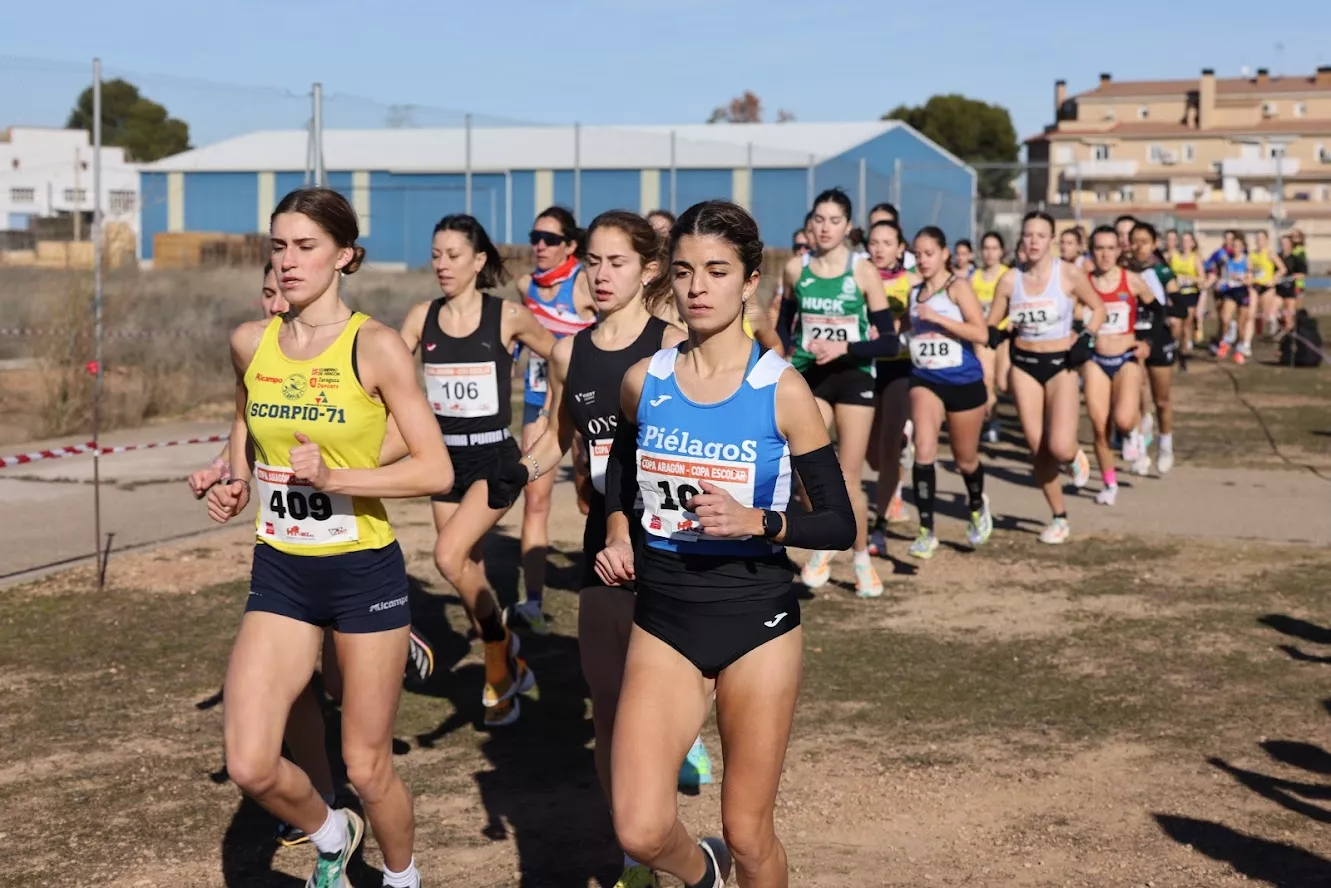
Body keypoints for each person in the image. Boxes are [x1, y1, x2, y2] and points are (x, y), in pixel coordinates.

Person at [597, 199, 855, 888]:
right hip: (664, 618)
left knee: (747, 829)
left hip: (755, 620)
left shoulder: (782, 389)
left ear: (748, 282)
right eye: (682, 272)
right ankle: (702, 874)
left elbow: (838, 524)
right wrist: (619, 528)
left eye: (716, 271)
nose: (697, 287)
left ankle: (732, 861)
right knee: (641, 828)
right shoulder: (643, 381)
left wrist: (760, 523)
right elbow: (623, 465)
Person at [208, 187, 453, 888]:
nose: (287, 261)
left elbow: (434, 468)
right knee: (252, 762)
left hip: (360, 576)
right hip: (281, 571)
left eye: (305, 246)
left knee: (367, 766)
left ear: (344, 255)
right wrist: (232, 477)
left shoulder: (374, 347)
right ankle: (330, 831)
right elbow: (249, 427)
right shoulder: (250, 341)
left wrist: (340, 475)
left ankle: (402, 879)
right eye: (278, 246)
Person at [481, 210, 714, 887]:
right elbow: (559, 436)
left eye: (616, 262)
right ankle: (632, 857)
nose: (601, 275)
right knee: (607, 703)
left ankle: (664, 808)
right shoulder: (568, 352)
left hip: (674, 541)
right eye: (593, 262)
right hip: (601, 540)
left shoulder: (676, 345)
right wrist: (518, 471)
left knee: (668, 702)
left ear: (648, 270)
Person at [399, 214, 555, 727]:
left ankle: (496, 657)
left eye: (454, 255)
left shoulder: (508, 316)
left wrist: (549, 422)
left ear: (479, 260)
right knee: (468, 572)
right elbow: (387, 381)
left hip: (493, 459)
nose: (442, 264)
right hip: (443, 463)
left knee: (448, 557)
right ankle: (509, 661)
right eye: (437, 254)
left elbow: (564, 359)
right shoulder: (422, 317)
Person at [785, 188, 891, 596]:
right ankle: (825, 544)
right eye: (819, 219)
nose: (825, 228)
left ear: (848, 227)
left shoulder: (862, 271)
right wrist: (793, 350)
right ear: (810, 223)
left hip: (854, 377)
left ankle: (861, 559)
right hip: (813, 377)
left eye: (834, 221)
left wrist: (845, 346)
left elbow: (889, 341)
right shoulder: (797, 270)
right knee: (807, 473)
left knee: (848, 479)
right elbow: (784, 328)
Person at [986, 211, 1106, 544]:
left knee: (1059, 446)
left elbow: (1099, 308)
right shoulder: (1010, 280)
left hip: (1061, 365)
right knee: (1038, 449)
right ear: (1021, 240)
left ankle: (1074, 454)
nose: (1033, 241)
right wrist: (991, 337)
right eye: (1028, 235)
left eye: (1040, 235)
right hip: (1024, 365)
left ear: (1051, 239)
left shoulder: (1068, 275)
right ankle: (1059, 516)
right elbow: (993, 323)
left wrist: (1086, 338)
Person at [510, 207, 597, 634]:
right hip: (538, 404)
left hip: (584, 407)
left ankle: (608, 587)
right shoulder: (526, 286)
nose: (539, 246)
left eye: (549, 239)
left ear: (570, 245)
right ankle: (532, 601)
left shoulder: (585, 282)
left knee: (590, 501)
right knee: (536, 499)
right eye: (535, 237)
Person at [901, 226, 993, 559]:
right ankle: (926, 531)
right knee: (923, 448)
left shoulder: (958, 287)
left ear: (944, 254)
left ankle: (976, 506)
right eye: (918, 254)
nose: (923, 260)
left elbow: (980, 333)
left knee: (965, 459)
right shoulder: (914, 293)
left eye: (929, 253)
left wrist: (939, 319)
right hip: (926, 379)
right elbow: (907, 333)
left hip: (965, 381)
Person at [1082, 227, 1161, 505]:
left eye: (1110, 248)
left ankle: (1136, 431)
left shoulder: (1133, 281)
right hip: (1096, 361)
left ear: (1119, 251)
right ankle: (1109, 483)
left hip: (1126, 359)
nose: (1105, 254)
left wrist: (1146, 341)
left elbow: (1158, 311)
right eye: (1099, 248)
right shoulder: (1084, 283)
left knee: (1124, 418)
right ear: (1092, 252)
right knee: (1099, 425)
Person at [864, 219, 920, 554]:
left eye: (887, 243)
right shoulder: (858, 278)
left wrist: (902, 326)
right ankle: (902, 440)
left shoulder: (912, 281)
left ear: (901, 247)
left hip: (899, 368)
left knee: (886, 454)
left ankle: (880, 527)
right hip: (866, 368)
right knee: (872, 456)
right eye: (874, 242)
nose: (879, 249)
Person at [1130, 222, 1182, 475]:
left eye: (1144, 241)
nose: (1138, 246)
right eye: (1134, 241)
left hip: (1159, 339)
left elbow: (1180, 307)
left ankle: (1166, 444)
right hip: (1133, 339)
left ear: (1154, 244)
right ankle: (1140, 450)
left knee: (1161, 400)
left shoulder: (1162, 272)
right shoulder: (1123, 271)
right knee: (1138, 397)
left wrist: (1164, 312)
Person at [971, 231, 1012, 445]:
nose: (989, 253)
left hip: (1004, 335)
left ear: (1002, 251)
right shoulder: (974, 277)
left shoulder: (1008, 274)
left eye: (994, 248)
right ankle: (993, 423)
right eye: (986, 248)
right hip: (983, 337)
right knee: (986, 381)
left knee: (1003, 383)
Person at [1211, 232, 1252, 364]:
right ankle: (1223, 343)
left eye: (1238, 246)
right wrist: (1220, 282)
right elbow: (1222, 275)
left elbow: (1250, 279)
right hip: (1230, 292)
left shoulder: (1246, 259)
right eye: (1233, 246)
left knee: (1241, 325)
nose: (1235, 248)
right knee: (1225, 318)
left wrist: (1242, 278)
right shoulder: (1227, 259)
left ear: (1242, 247)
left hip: (1242, 292)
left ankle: (1239, 348)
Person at [1168, 231, 1204, 354]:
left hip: (1190, 294)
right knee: (1174, 322)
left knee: (1186, 324)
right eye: (1183, 241)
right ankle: (1174, 343)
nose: (1185, 243)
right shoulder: (1174, 256)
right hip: (1175, 293)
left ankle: (1183, 350)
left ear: (1193, 243)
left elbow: (1202, 278)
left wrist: (1189, 279)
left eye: (1188, 241)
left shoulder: (1195, 258)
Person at [1250, 230, 1288, 339]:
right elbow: (1249, 269)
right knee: (1251, 313)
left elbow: (1282, 269)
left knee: (1266, 316)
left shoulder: (1270, 253)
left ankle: (1278, 323)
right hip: (1255, 285)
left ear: (1266, 240)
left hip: (1267, 287)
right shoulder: (1252, 254)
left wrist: (1273, 280)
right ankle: (1250, 337)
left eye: (1261, 239)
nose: (1258, 241)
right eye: (1257, 239)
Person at [1276, 233, 1306, 335]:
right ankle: (1282, 328)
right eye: (1282, 243)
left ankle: (1290, 335)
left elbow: (1303, 274)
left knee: (1289, 317)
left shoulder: (1296, 258)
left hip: (1290, 291)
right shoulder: (1277, 257)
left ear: (1290, 245)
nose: (1284, 245)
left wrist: (1293, 277)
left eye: (1286, 243)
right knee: (1274, 312)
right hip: (1278, 291)